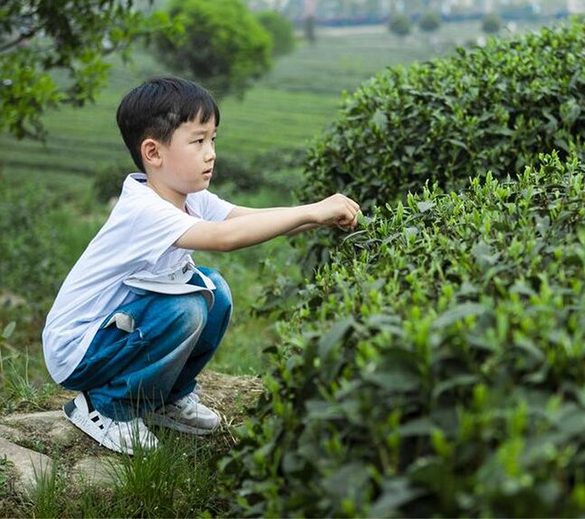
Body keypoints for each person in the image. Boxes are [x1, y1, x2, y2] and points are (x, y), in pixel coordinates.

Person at [42, 76, 360, 455]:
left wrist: (317, 216)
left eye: (213, 140)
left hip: (116, 331)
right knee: (187, 306)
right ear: (153, 153)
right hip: (79, 349)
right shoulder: (143, 209)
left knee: (215, 292)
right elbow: (226, 238)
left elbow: (252, 218)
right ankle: (107, 407)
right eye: (198, 141)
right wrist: (313, 210)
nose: (211, 153)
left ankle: (166, 400)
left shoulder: (190, 197)